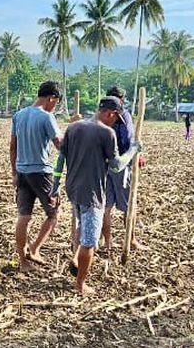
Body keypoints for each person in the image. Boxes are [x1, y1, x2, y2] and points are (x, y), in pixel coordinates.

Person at [53, 96, 140, 296]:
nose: (115, 123)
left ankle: (75, 259)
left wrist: (55, 186)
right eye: (116, 119)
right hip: (92, 193)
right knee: (90, 240)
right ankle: (80, 283)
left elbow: (61, 158)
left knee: (82, 224)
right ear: (111, 113)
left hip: (73, 188)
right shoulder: (107, 133)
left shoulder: (74, 127)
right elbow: (116, 166)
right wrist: (133, 150)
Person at [10, 81, 63, 273]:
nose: (54, 106)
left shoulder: (19, 115)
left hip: (22, 172)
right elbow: (60, 145)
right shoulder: (46, 117)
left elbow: (12, 147)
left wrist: (14, 173)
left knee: (23, 217)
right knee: (53, 213)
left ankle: (23, 262)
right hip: (41, 172)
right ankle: (34, 248)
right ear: (52, 98)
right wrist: (74, 128)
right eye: (55, 103)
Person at [97, 85, 136, 252]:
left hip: (103, 164)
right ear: (122, 100)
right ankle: (131, 240)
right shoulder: (123, 115)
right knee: (128, 205)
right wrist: (134, 153)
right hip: (120, 164)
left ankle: (107, 242)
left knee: (106, 206)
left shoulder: (99, 117)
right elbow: (127, 139)